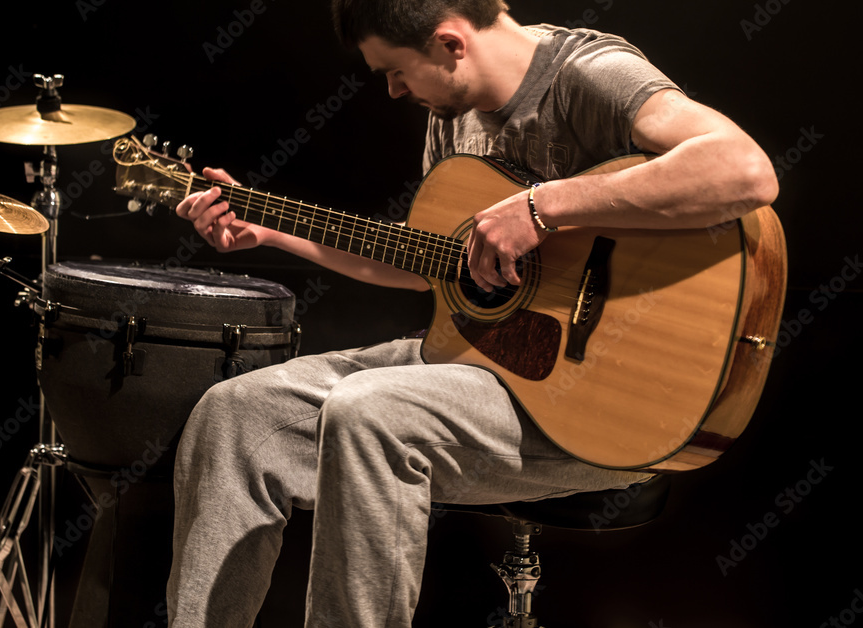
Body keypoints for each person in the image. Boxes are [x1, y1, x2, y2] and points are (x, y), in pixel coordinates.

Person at [168, 1, 778, 626]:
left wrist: (543, 208)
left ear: (449, 43)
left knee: (370, 413)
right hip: (484, 366)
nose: (393, 89)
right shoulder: (453, 115)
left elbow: (744, 170)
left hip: (603, 401)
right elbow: (428, 264)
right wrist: (272, 232)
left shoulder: (588, 72)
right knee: (235, 414)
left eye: (397, 71)